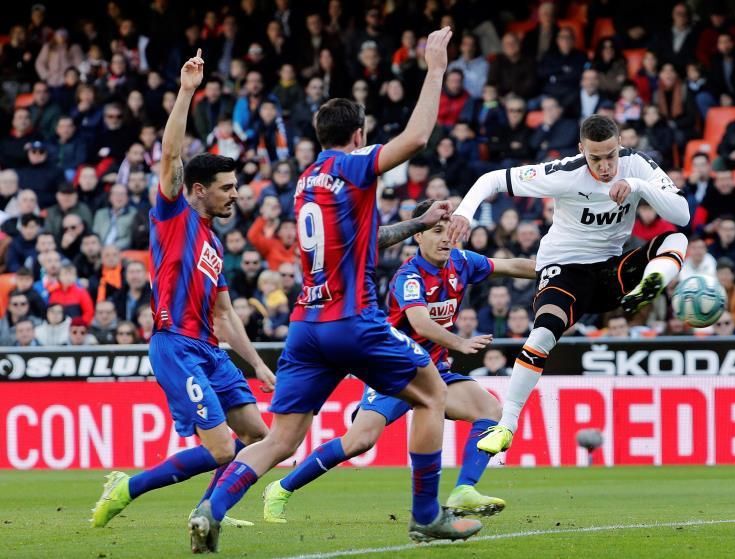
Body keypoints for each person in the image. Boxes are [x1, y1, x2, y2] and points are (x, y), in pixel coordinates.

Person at [193, 28, 485, 551]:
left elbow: (364, 239)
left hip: (306, 326)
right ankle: (426, 516)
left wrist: (417, 226)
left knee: (282, 439)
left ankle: (210, 508)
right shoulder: (352, 166)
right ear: (360, 134)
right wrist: (436, 67)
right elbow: (417, 138)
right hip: (354, 320)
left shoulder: (308, 180)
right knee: (433, 393)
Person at [91, 50, 276, 531]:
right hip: (176, 345)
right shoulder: (173, 216)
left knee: (258, 437)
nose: (235, 194)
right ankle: (128, 488)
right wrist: (187, 91)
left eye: (235, 186)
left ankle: (206, 512)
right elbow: (171, 155)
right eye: (226, 187)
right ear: (198, 189)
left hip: (210, 350)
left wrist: (257, 365)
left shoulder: (214, 243)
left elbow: (225, 314)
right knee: (222, 449)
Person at [263, 199, 537, 522]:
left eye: (449, 230)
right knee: (360, 441)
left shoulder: (461, 262)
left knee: (490, 410)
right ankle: (281, 488)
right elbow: (421, 323)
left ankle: (464, 489)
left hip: (435, 371)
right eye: (437, 231)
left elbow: (512, 266)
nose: (446, 238)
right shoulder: (408, 276)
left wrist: (559, 273)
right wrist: (459, 342)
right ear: (418, 235)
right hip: (395, 371)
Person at [449, 114, 690, 454]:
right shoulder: (564, 173)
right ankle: (506, 425)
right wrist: (464, 212)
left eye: (611, 156)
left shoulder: (637, 166)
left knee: (677, 239)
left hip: (609, 272)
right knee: (543, 334)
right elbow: (492, 179)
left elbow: (682, 215)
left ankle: (650, 285)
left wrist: (638, 186)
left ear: (620, 145)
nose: (605, 166)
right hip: (565, 269)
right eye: (595, 158)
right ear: (581, 150)